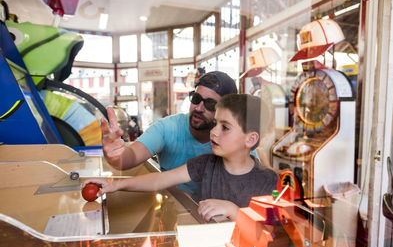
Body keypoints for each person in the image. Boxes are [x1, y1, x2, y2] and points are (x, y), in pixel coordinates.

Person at [84, 94, 278, 222]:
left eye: (224, 127)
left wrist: (235, 212)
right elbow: (159, 180)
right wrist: (115, 184)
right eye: (215, 124)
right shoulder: (206, 164)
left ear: (251, 139)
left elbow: (271, 232)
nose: (214, 132)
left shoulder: (269, 181)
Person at [101, 71, 238, 195]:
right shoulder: (167, 127)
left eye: (209, 104)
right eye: (196, 99)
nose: (199, 108)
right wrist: (117, 157)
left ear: (226, 111)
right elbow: (132, 156)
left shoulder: (236, 141)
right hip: (174, 211)